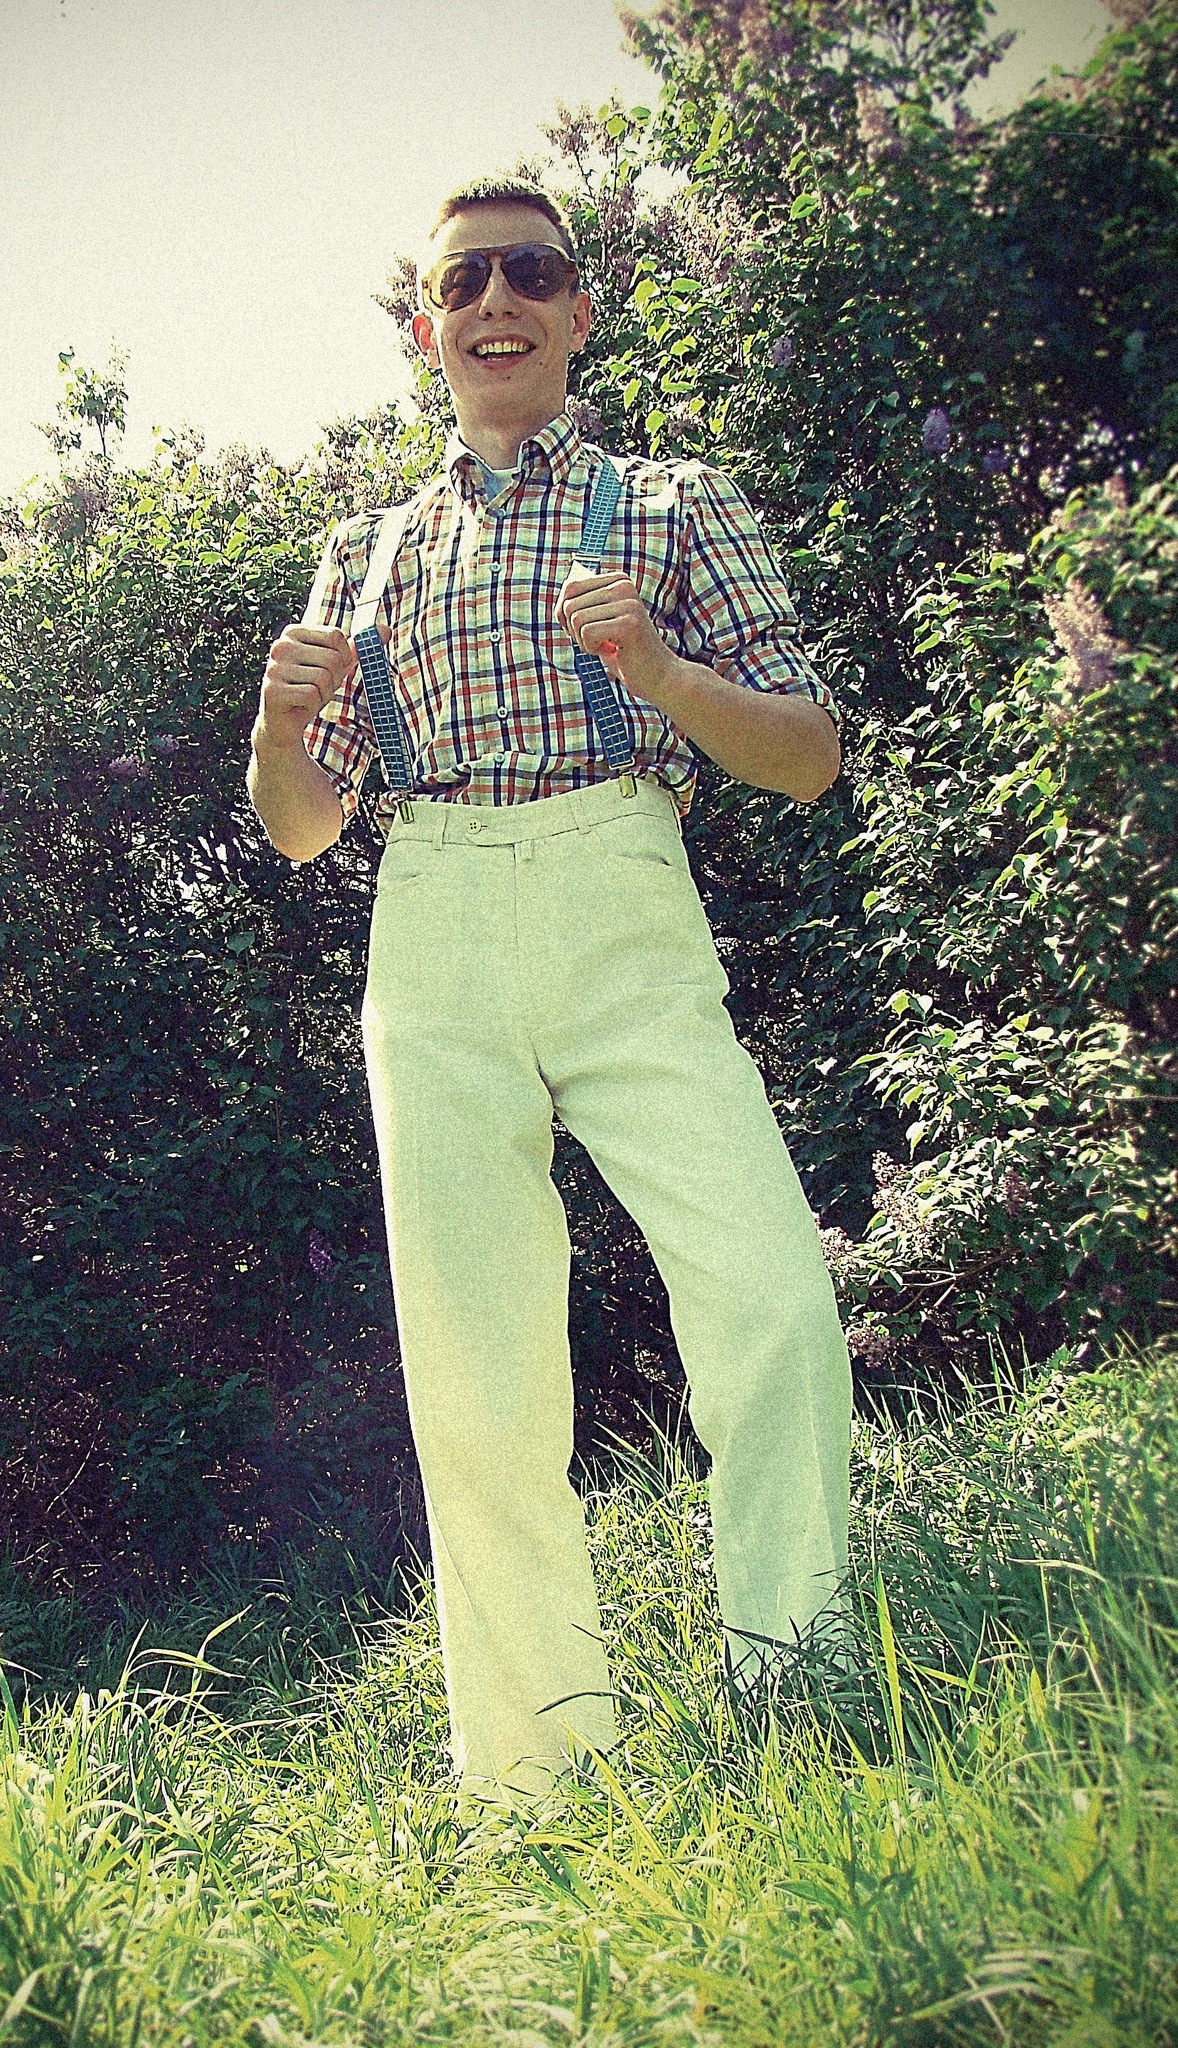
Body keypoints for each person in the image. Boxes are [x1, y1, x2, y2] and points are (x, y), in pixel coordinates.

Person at [247, 176, 852, 1825]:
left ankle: (798, 1696)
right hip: (431, 913)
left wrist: (655, 668)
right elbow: (302, 827)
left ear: (578, 313)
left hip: (619, 893)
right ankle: (534, 1773)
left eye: (530, 272)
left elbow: (807, 756)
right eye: (464, 282)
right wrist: (274, 730)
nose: (496, 301)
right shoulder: (366, 549)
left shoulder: (671, 502)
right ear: (424, 327)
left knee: (771, 1304)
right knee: (474, 1370)